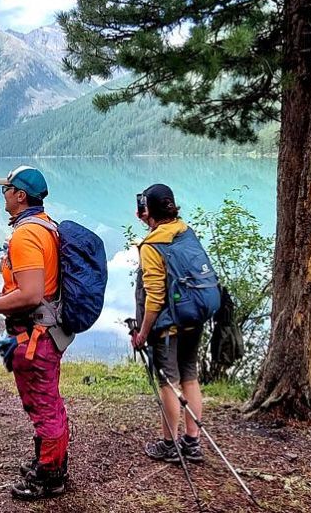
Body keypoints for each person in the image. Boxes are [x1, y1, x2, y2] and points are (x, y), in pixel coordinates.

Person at [0, 165, 71, 500]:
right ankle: (49, 463)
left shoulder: (27, 235)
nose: (4, 194)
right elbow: (27, 288)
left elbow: (30, 294)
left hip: (35, 336)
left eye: (7, 189)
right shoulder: (46, 227)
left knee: (44, 406)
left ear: (20, 195)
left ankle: (50, 477)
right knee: (46, 403)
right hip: (45, 330)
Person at [131, 184, 205, 464]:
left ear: (147, 210)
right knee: (190, 377)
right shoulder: (184, 230)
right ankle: (192, 442)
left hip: (167, 325)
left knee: (169, 383)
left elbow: (154, 296)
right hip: (193, 318)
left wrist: (143, 332)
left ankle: (169, 444)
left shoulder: (152, 245)